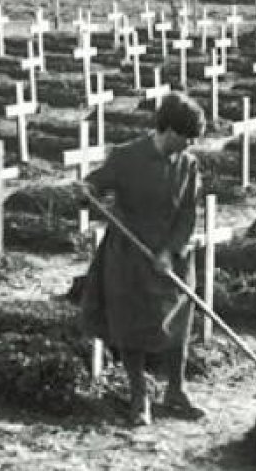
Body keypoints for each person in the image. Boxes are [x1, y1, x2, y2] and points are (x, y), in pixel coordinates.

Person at [81, 92, 207, 427]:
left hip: (172, 257)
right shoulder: (126, 157)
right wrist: (89, 193)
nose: (190, 144)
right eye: (186, 137)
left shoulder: (188, 165)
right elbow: (93, 187)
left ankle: (176, 391)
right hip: (130, 256)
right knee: (131, 325)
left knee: (178, 325)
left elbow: (188, 214)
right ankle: (139, 396)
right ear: (167, 130)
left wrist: (171, 251)